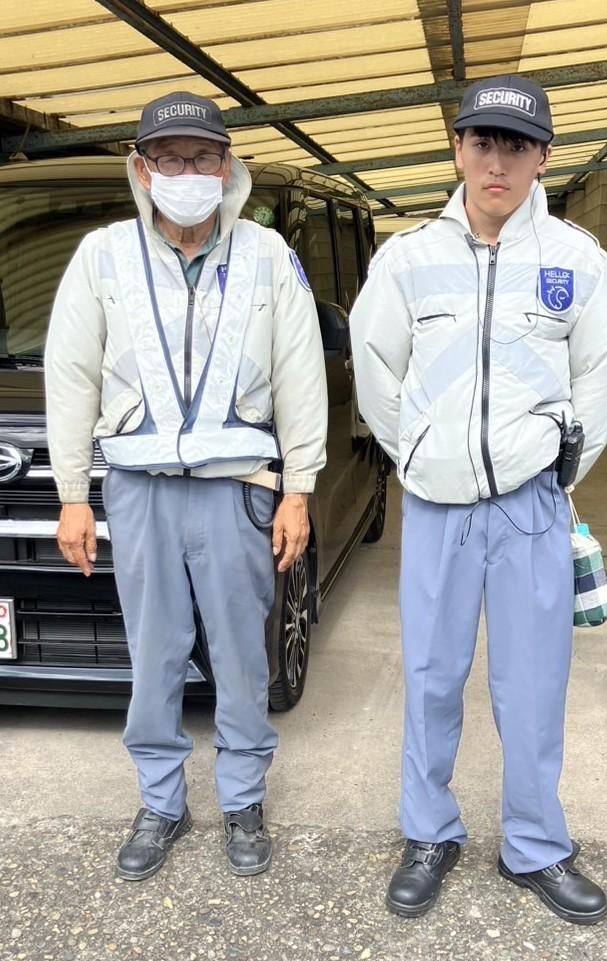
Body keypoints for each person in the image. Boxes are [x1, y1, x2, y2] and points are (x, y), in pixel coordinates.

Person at [350, 75, 607, 923]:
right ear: (457, 149)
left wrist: (557, 465)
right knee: (431, 677)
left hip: (529, 508)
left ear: (543, 156)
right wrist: (421, 457)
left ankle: (535, 845)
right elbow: (376, 372)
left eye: (516, 145)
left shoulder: (580, 262)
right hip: (437, 507)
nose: (497, 162)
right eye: (482, 142)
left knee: (532, 684)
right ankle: (429, 833)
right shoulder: (406, 260)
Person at [45, 92, 327, 881]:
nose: (187, 172)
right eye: (169, 158)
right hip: (140, 489)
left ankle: (243, 799)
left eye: (202, 156)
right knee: (154, 653)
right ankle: (161, 802)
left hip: (238, 489)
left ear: (226, 165)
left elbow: (301, 371)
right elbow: (70, 375)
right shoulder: (102, 254)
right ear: (142, 169)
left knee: (240, 654)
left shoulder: (267, 254)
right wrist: (73, 493)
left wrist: (298, 487)